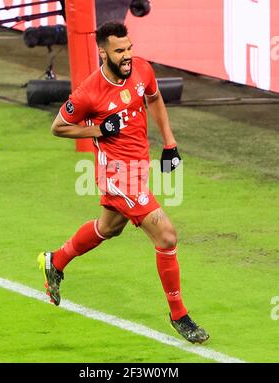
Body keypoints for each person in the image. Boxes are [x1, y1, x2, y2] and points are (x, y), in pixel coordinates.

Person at [37, 21, 209, 344]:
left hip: (139, 166)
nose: (127, 56)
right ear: (102, 52)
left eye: (129, 48)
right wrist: (100, 130)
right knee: (167, 236)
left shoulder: (142, 70)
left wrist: (169, 143)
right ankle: (179, 314)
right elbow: (58, 127)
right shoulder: (89, 92)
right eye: (119, 51)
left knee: (109, 227)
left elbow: (155, 98)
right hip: (117, 175)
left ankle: (55, 261)